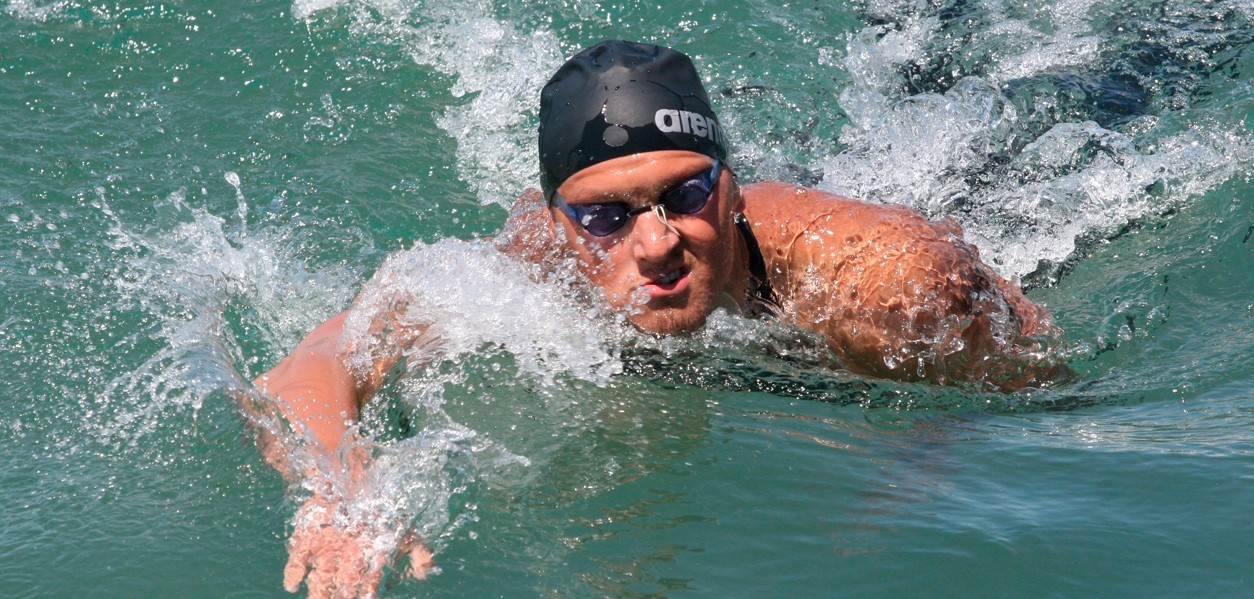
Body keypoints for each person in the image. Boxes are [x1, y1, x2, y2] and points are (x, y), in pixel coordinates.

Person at [252, 40, 1063, 597]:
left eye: (685, 194)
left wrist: (919, 464)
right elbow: (308, 363)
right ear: (559, 225)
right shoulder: (531, 263)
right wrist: (339, 484)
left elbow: (1034, 375)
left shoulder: (876, 285)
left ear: (731, 185)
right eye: (606, 216)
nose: (657, 242)